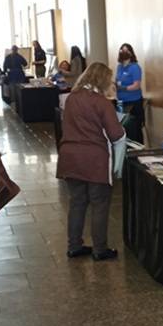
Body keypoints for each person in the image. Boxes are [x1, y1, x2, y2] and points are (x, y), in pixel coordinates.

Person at [56, 62, 124, 261]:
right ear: (102, 79)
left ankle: (74, 245)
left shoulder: (71, 98)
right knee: (99, 203)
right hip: (94, 159)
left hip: (70, 157)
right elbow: (115, 133)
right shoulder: (100, 102)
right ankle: (100, 249)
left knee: (77, 203)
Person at [115, 43, 144, 143]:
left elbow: (136, 85)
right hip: (121, 102)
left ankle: (138, 151)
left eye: (126, 50)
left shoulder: (135, 67)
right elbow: (117, 81)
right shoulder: (119, 67)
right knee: (124, 128)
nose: (124, 53)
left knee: (135, 129)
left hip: (134, 102)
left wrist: (123, 88)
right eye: (122, 50)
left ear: (131, 53)